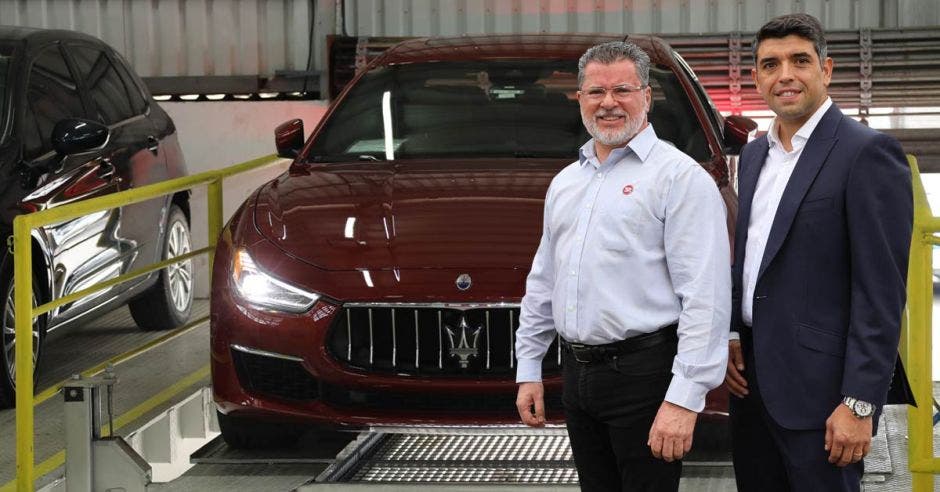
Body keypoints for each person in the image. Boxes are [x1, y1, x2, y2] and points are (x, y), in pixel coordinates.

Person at [514, 41, 731, 492]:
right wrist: (530, 367)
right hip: (576, 376)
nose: (608, 103)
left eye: (622, 90)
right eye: (595, 92)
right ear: (580, 99)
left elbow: (705, 296)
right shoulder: (567, 182)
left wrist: (685, 400)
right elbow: (544, 281)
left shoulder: (680, 178)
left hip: (645, 377)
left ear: (647, 97)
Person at [724, 13, 914, 492]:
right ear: (756, 77)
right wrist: (728, 335)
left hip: (824, 397)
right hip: (753, 388)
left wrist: (859, 403)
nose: (784, 74)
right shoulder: (752, 156)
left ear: (825, 69)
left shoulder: (867, 153)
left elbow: (882, 292)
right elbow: (750, 261)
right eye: (771, 64)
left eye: (799, 60)